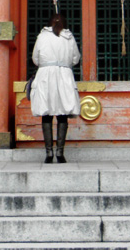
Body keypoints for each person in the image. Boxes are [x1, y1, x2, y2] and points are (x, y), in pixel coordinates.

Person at [30, 13, 80, 163]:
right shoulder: (69, 37)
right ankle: (60, 152)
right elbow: (76, 58)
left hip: (45, 75)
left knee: (47, 113)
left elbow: (35, 58)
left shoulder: (42, 36)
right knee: (62, 113)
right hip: (64, 74)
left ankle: (48, 153)